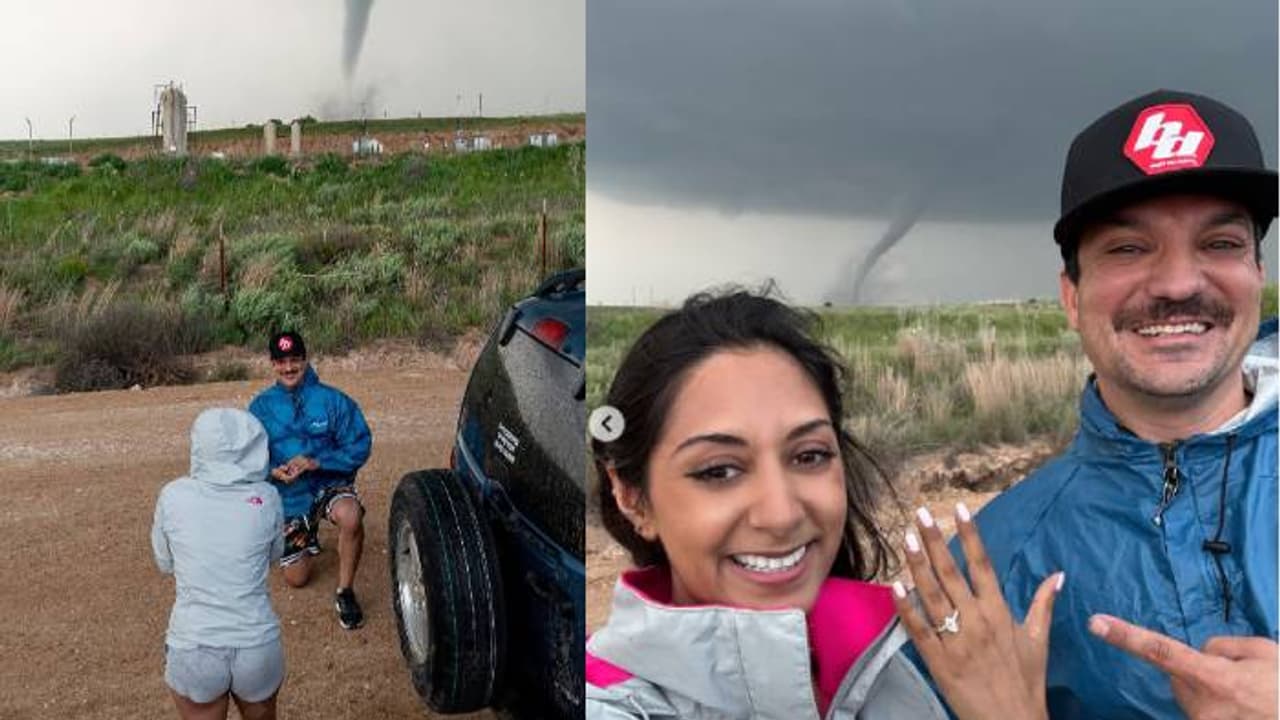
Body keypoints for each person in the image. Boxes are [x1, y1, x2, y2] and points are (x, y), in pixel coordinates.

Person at [944, 89, 1278, 718]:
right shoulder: (993, 569)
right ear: (1071, 296)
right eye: (1128, 249)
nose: (1179, 283)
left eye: (1220, 244)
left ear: (1258, 271)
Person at [585, 290, 1063, 719]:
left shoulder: (905, 665)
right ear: (631, 497)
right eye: (719, 471)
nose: (782, 514)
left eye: (809, 456)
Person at [151, 408, 286, 720]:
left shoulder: (172, 495)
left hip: (195, 640)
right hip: (256, 641)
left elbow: (164, 562)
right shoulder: (267, 496)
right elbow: (275, 555)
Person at [248, 330, 373, 630]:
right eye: (281, 362)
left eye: (294, 360)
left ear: (305, 359)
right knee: (297, 579)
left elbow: (360, 445)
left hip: (327, 484)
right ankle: (300, 536)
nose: (289, 368)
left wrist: (318, 462)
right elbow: (247, 456)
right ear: (272, 364)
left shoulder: (333, 400)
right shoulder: (260, 408)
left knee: (351, 516)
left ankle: (345, 591)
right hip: (290, 497)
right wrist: (271, 471)